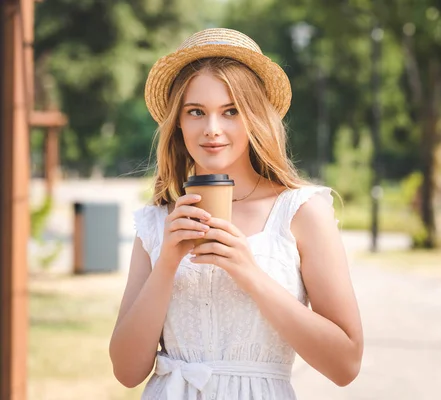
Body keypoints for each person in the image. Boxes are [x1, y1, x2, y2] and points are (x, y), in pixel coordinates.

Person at [109, 28, 363, 399]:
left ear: (254, 117)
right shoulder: (156, 222)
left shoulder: (302, 212)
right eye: (196, 112)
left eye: (231, 111)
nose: (213, 130)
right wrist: (167, 262)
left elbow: (346, 365)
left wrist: (249, 273)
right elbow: (127, 371)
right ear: (178, 123)